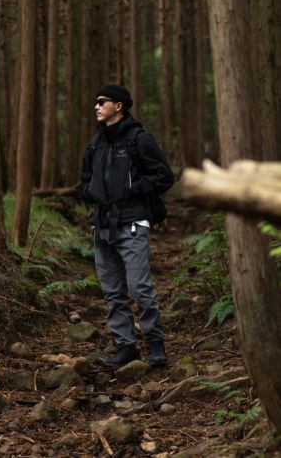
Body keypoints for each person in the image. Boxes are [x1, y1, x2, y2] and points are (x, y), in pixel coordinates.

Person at [81, 84, 174, 369]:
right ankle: (126, 347)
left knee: (139, 288)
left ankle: (155, 345)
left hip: (133, 222)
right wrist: (90, 193)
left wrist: (134, 188)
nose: (96, 106)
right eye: (96, 102)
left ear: (118, 105)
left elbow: (164, 176)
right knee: (113, 292)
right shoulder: (95, 143)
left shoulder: (139, 139)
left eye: (102, 101)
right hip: (102, 225)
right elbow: (85, 179)